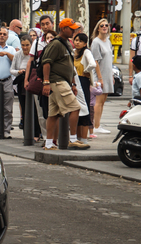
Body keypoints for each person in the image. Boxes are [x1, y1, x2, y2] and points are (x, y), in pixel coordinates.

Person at [41, 18, 90, 151]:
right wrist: (46, 82)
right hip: (57, 81)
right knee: (75, 107)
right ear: (63, 29)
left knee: (54, 113)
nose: (75, 31)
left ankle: (49, 143)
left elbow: (69, 65)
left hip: (63, 81)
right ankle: (73, 139)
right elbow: (46, 62)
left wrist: (73, 83)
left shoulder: (66, 43)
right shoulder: (56, 44)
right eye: (72, 28)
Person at [11, 35, 38, 139]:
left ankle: (36, 133)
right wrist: (19, 71)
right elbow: (12, 70)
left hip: (33, 83)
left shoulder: (34, 55)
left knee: (35, 109)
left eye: (27, 45)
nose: (25, 47)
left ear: (31, 44)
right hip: (22, 83)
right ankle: (26, 133)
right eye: (23, 45)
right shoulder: (18, 54)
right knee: (24, 107)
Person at [73, 33, 97, 144]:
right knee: (75, 108)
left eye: (80, 41)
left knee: (85, 107)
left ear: (85, 43)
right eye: (76, 40)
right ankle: (76, 137)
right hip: (74, 81)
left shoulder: (86, 52)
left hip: (83, 80)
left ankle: (83, 138)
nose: (77, 42)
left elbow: (93, 64)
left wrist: (86, 71)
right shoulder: (73, 52)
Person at [90, 18, 113, 134]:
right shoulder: (96, 42)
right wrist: (99, 78)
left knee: (103, 101)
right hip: (100, 74)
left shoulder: (108, 41)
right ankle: (95, 125)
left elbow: (110, 60)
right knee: (98, 101)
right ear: (98, 28)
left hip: (108, 73)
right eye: (102, 25)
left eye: (106, 25)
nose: (104, 27)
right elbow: (95, 61)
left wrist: (112, 76)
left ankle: (98, 123)